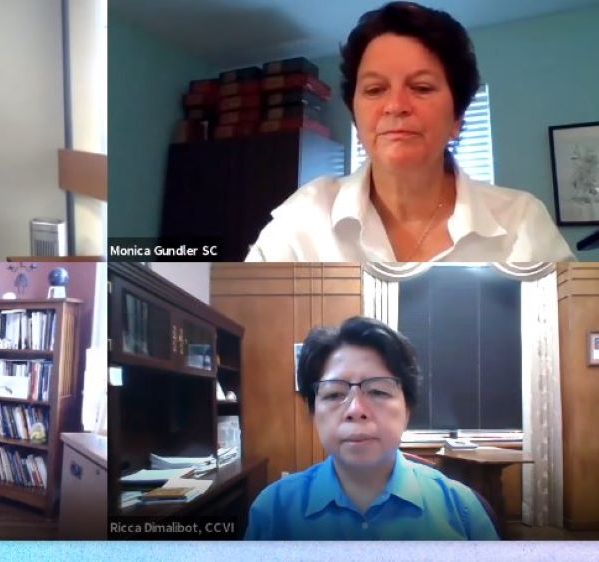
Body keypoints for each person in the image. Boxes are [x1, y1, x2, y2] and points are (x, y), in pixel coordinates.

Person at [246, 1, 573, 262]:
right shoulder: (304, 218)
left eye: (421, 87)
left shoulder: (520, 223)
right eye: (375, 90)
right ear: (356, 120)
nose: (395, 105)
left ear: (457, 118)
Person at [245, 316, 498, 540]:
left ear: (407, 409)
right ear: (313, 412)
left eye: (377, 391)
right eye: (334, 394)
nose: (355, 409)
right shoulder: (272, 512)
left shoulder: (462, 511)